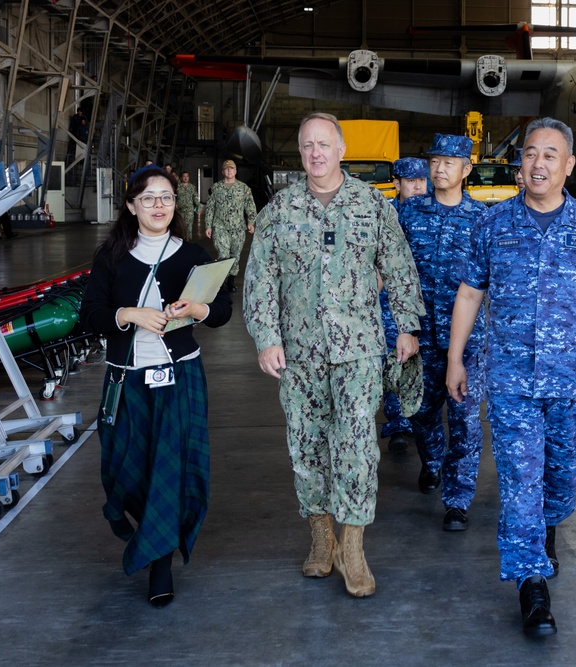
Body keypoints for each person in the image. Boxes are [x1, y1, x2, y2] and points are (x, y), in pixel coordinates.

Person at [446, 118, 576, 636]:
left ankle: (547, 526)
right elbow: (471, 294)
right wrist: (456, 358)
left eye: (550, 155)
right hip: (510, 381)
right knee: (521, 481)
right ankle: (532, 586)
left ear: (568, 166)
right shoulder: (493, 225)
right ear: (521, 165)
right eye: (530, 154)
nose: (537, 163)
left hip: (568, 383)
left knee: (560, 477)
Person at [243, 113, 424, 598]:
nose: (315, 153)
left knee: (357, 447)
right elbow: (260, 279)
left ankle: (354, 546)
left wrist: (407, 327)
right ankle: (321, 540)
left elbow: (399, 265)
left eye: (324, 144)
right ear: (299, 153)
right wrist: (266, 337)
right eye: (307, 146)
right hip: (300, 354)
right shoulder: (281, 209)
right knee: (306, 447)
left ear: (341, 149)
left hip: (359, 350)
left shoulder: (371, 204)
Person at [78, 165, 232, 607]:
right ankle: (144, 532)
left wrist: (198, 309)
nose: (158, 205)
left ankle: (159, 565)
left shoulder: (194, 256)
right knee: (125, 469)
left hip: (179, 377)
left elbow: (221, 309)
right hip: (126, 381)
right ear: (131, 206)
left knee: (171, 468)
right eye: (148, 198)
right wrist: (129, 315)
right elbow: (90, 314)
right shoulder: (111, 256)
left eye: (165, 197)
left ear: (174, 203)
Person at [398, 135, 488, 531]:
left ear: (466, 170)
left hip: (467, 341)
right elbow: (396, 273)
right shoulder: (408, 213)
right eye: (434, 161)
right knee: (419, 413)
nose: (439, 169)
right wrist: (404, 327)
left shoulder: (483, 219)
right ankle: (432, 460)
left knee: (466, 420)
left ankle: (457, 499)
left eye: (450, 162)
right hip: (422, 336)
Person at [378, 156, 430, 454]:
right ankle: (398, 423)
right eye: (411, 181)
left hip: (430, 304)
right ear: (397, 183)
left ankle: (421, 420)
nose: (418, 186)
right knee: (394, 363)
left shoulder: (435, 213)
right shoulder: (386, 215)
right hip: (392, 306)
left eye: (422, 180)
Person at [204, 159, 257, 294]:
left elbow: (250, 206)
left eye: (231, 168)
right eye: (226, 168)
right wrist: (208, 225)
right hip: (220, 226)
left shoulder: (243, 188)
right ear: (223, 172)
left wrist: (251, 222)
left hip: (238, 228)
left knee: (235, 256)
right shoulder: (216, 188)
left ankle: (231, 281)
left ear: (235, 171)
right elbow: (210, 207)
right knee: (223, 255)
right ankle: (221, 283)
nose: (229, 170)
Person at [176, 171, 201, 240]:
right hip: (180, 210)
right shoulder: (178, 187)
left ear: (189, 177)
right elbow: (174, 197)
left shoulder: (192, 187)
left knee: (189, 227)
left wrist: (198, 207)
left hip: (189, 210)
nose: (185, 178)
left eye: (187, 176)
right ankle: (180, 241)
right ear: (181, 178)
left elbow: (195, 198)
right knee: (180, 226)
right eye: (184, 176)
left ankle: (188, 241)